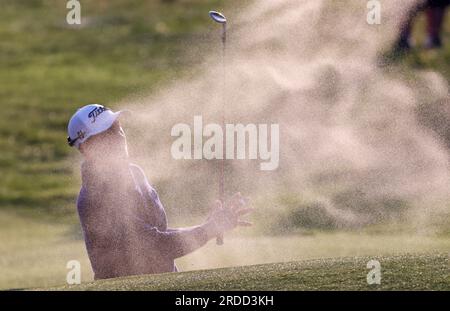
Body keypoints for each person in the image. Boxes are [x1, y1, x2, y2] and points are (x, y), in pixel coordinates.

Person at [67, 104, 253, 280]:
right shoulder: (94, 198)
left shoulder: (135, 174)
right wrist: (207, 230)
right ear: (86, 147)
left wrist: (207, 226)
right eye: (106, 133)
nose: (118, 137)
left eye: (117, 128)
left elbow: (158, 234)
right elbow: (152, 245)